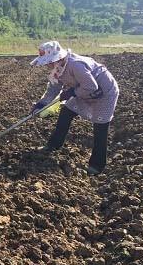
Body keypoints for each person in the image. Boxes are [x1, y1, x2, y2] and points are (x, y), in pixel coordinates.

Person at [31, 40, 120, 175]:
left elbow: (92, 86)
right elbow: (53, 89)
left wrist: (72, 92)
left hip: (104, 93)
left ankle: (97, 165)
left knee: (100, 126)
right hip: (84, 90)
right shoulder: (57, 68)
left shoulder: (75, 65)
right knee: (66, 111)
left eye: (48, 61)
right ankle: (53, 145)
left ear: (57, 58)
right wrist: (41, 104)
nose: (46, 65)